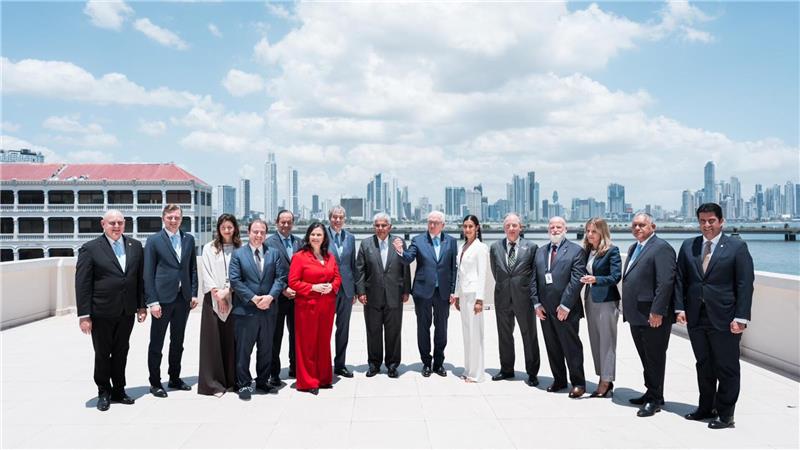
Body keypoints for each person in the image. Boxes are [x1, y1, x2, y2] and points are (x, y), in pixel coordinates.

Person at [675, 203, 754, 429]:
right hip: (696, 317)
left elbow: (745, 284)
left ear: (721, 221)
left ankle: (726, 414)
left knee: (727, 366)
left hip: (726, 317)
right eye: (702, 221)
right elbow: (681, 279)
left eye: (711, 221)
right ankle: (705, 407)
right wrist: (680, 308)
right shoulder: (689, 245)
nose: (706, 225)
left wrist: (741, 317)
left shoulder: (737, 247)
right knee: (704, 364)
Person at [75, 209, 147, 411]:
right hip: (101, 312)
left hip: (127, 311)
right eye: (112, 223)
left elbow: (139, 279)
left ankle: (119, 390)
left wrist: (141, 306)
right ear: (103, 224)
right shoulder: (90, 249)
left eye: (120, 223)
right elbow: (82, 283)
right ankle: (103, 392)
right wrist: (84, 315)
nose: (116, 226)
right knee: (102, 353)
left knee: (121, 351)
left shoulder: (135, 246)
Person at [621, 212, 676, 417]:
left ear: (653, 226)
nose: (637, 228)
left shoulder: (661, 248)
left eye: (642, 225)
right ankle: (651, 392)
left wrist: (657, 311)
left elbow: (666, 283)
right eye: (634, 225)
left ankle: (655, 400)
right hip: (636, 314)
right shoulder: (634, 247)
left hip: (652, 315)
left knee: (654, 357)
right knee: (645, 357)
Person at [393, 210, 458, 377]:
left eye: (436, 222)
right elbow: (408, 258)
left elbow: (453, 269)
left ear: (443, 225)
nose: (432, 225)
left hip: (443, 292)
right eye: (429, 222)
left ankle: (439, 363)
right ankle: (426, 363)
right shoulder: (418, 240)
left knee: (441, 328)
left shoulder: (451, 242)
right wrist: (400, 251)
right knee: (423, 328)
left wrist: (453, 291)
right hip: (423, 292)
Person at [228, 219, 288, 400]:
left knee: (266, 349)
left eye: (262, 232)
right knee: (244, 350)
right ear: (249, 232)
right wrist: (254, 299)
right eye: (255, 231)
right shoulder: (238, 254)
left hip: (269, 310)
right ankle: (244, 384)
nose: (259, 235)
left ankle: (262, 381)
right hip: (246, 311)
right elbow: (235, 281)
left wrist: (270, 297)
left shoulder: (274, 253)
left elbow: (280, 278)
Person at [144, 204, 198, 398]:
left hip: (182, 299)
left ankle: (174, 377)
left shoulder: (189, 239)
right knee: (156, 343)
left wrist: (193, 293)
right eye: (170, 217)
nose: (173, 221)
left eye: (176, 217)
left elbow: (192, 268)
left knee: (178, 341)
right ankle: (155, 382)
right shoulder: (153, 241)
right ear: (163, 218)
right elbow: (148, 273)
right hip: (162, 300)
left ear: (181, 219)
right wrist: (152, 301)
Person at [531, 216, 587, 398]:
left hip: (567, 310)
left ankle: (578, 383)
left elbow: (577, 280)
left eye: (558, 227)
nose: (555, 230)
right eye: (552, 227)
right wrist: (536, 303)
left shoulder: (576, 251)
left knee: (571, 347)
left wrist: (565, 305)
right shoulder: (540, 252)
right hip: (545, 310)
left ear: (565, 229)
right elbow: (533, 280)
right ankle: (559, 380)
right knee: (552, 346)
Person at [355, 213, 411, 378]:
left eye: (384, 225)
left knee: (394, 332)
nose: (380, 228)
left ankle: (392, 365)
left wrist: (406, 290)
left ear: (390, 227)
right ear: (374, 227)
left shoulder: (398, 243)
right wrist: (360, 292)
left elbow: (405, 267)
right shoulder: (366, 244)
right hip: (372, 295)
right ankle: (374, 364)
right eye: (377, 225)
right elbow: (360, 270)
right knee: (373, 331)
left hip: (395, 294)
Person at [289, 222, 342, 395]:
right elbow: (293, 282)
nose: (316, 237)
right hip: (307, 307)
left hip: (326, 306)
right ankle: (308, 381)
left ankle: (324, 378)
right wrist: (313, 288)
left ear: (324, 237)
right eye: (313, 234)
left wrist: (331, 287)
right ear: (308, 236)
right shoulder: (300, 256)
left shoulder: (330, 257)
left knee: (323, 342)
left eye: (319, 235)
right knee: (307, 344)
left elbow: (337, 277)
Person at [489, 212, 541, 387]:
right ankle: (506, 369)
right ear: (504, 228)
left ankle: (532, 373)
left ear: (521, 227)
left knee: (529, 336)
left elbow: (535, 275)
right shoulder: (495, 247)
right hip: (502, 297)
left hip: (524, 298)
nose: (511, 228)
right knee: (504, 335)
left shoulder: (532, 247)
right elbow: (496, 272)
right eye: (508, 225)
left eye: (514, 225)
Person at [198, 214, 240, 396]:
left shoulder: (240, 248)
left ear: (235, 228)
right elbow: (206, 272)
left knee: (232, 341)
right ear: (218, 229)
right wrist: (218, 295)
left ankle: (232, 381)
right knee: (213, 341)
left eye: (230, 227)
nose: (227, 230)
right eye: (223, 227)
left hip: (235, 298)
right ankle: (213, 384)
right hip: (213, 300)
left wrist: (228, 292)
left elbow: (241, 274)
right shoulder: (209, 248)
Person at [579, 217, 621, 398]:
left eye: (594, 231)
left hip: (606, 301)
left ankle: (606, 381)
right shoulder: (588, 251)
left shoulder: (612, 251)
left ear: (602, 232)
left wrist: (596, 280)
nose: (589, 234)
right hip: (590, 300)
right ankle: (602, 377)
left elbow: (616, 276)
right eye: (587, 231)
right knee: (596, 341)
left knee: (607, 342)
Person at [266, 209, 302, 386]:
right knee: (275, 336)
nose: (286, 225)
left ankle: (295, 367)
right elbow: (267, 272)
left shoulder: (300, 243)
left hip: (297, 298)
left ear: (293, 223)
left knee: (296, 335)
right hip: (278, 298)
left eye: (289, 222)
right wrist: (283, 289)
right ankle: (274, 373)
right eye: (283, 222)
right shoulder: (269, 243)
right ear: (276, 222)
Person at [453, 215, 490, 383]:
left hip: (475, 295)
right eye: (465, 226)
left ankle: (477, 374)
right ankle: (468, 369)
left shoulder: (481, 248)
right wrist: (457, 295)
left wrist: (480, 300)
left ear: (477, 228)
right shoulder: (462, 247)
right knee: (467, 334)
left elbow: (482, 275)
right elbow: (459, 274)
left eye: (470, 226)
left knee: (476, 335)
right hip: (464, 294)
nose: (467, 229)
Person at [326, 205, 357, 378]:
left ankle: (340, 365)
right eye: (334, 217)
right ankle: (324, 364)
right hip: (328, 290)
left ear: (344, 219)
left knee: (343, 329)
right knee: (325, 330)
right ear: (330, 218)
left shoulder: (351, 238)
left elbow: (352, 265)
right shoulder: (322, 236)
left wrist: (354, 291)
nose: (337, 220)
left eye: (340, 218)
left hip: (346, 291)